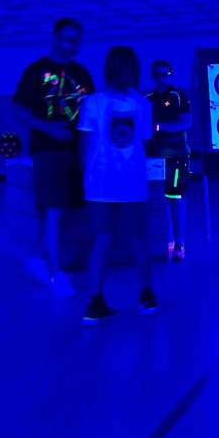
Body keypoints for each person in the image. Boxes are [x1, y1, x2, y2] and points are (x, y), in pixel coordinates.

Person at [13, 17, 94, 297]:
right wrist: (48, 128)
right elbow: (18, 109)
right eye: (67, 39)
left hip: (76, 150)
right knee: (55, 209)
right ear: (55, 37)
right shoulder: (36, 71)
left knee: (68, 210)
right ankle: (57, 274)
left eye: (77, 41)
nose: (72, 45)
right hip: (48, 150)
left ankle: (38, 258)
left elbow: (90, 112)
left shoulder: (81, 73)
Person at [79, 46, 158, 325]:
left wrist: (86, 179)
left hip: (99, 182)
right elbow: (144, 142)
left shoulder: (92, 102)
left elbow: (85, 147)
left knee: (101, 240)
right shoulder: (144, 104)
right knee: (138, 239)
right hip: (132, 180)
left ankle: (94, 304)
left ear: (108, 70)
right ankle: (147, 297)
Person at [146, 59, 192, 261]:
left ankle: (180, 243)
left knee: (175, 198)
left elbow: (185, 123)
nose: (160, 78)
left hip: (175, 156)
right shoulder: (148, 98)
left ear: (171, 74)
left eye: (164, 74)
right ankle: (165, 242)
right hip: (154, 158)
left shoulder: (178, 95)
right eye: (157, 74)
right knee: (158, 200)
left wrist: (158, 126)